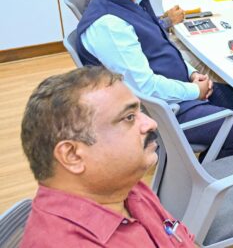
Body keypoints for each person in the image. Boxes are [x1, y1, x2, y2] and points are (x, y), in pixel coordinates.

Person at [76, 0, 233, 159]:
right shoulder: (109, 24)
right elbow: (144, 88)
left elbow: (163, 46)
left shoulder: (129, 2)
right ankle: (205, 175)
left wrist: (192, 73)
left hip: (175, 88)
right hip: (157, 111)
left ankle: (213, 156)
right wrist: (194, 91)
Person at [20, 67, 195, 247]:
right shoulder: (65, 243)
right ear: (72, 156)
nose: (151, 123)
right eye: (129, 117)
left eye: (140, 112)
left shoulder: (123, 185)